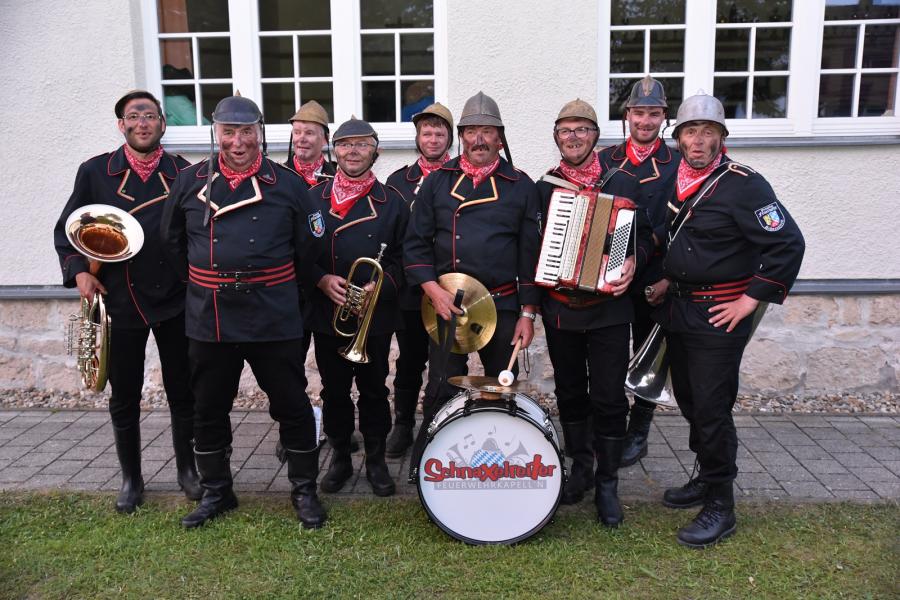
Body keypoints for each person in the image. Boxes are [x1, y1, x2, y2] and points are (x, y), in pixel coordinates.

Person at [160, 94, 327, 529]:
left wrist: (278, 285)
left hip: (272, 312)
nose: (238, 142)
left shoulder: (288, 184)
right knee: (208, 406)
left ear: (261, 133)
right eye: (229, 132)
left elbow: (310, 246)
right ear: (216, 133)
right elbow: (172, 242)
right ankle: (217, 492)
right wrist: (205, 283)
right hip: (210, 315)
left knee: (291, 403)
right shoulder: (189, 181)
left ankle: (304, 491)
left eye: (247, 132)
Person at [647, 92, 805, 548]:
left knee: (712, 409)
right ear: (678, 139)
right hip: (679, 309)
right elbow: (679, 240)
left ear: (721, 137)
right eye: (690, 132)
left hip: (719, 315)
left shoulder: (744, 184)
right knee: (691, 401)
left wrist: (749, 300)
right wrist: (665, 278)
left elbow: (788, 244)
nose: (698, 140)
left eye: (708, 132)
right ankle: (705, 478)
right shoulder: (676, 180)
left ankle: (722, 505)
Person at [53, 90, 200, 514]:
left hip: (175, 298)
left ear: (162, 123)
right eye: (134, 116)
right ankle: (131, 479)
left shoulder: (183, 172)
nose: (142, 123)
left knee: (183, 391)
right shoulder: (95, 171)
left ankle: (187, 471)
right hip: (118, 297)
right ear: (121, 125)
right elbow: (67, 229)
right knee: (125, 395)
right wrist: (79, 271)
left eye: (150, 115)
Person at [404, 91, 542, 479]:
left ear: (500, 137)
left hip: (503, 304)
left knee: (501, 387)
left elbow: (530, 255)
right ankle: (431, 460)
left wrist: (528, 313)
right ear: (461, 136)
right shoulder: (437, 183)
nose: (478, 139)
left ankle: (503, 461)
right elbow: (415, 244)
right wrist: (432, 291)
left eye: (487, 131)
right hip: (448, 302)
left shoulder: (521, 185)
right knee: (440, 386)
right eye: (471, 131)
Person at [537, 99, 653, 527]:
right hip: (561, 308)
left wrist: (633, 261)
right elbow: (530, 243)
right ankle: (581, 469)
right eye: (566, 130)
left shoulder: (623, 182)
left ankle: (608, 484)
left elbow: (647, 236)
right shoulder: (544, 187)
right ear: (556, 137)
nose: (574, 137)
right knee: (570, 392)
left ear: (595, 136)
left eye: (582, 129)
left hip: (609, 310)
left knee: (608, 397)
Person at [304, 117, 409, 497]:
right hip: (326, 312)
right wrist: (320, 279)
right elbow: (296, 250)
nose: (353, 151)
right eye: (346, 144)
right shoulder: (311, 198)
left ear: (375, 152)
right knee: (333, 391)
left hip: (373, 316)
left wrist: (379, 287)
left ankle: (376, 460)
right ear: (334, 150)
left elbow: (406, 258)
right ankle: (340, 457)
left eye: (362, 144)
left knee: (374, 390)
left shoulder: (392, 202)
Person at [598, 77, 680, 467]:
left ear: (664, 118)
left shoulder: (678, 163)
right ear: (627, 115)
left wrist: (667, 277)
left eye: (653, 114)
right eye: (638, 113)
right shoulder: (605, 159)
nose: (645, 121)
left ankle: (639, 431)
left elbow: (683, 224)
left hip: (655, 275)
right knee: (610, 354)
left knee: (649, 357)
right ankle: (609, 425)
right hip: (611, 273)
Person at [384, 102, 454, 458]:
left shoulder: (461, 177)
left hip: (452, 285)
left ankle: (437, 423)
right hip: (412, 288)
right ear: (417, 137)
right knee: (410, 359)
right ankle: (402, 424)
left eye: (440, 133)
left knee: (446, 362)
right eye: (427, 133)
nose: (433, 139)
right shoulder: (398, 181)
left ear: (449, 138)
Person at [287, 100, 336, 186]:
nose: (302, 139)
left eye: (309, 133)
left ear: (325, 139)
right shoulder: (278, 174)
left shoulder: (336, 178)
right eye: (297, 132)